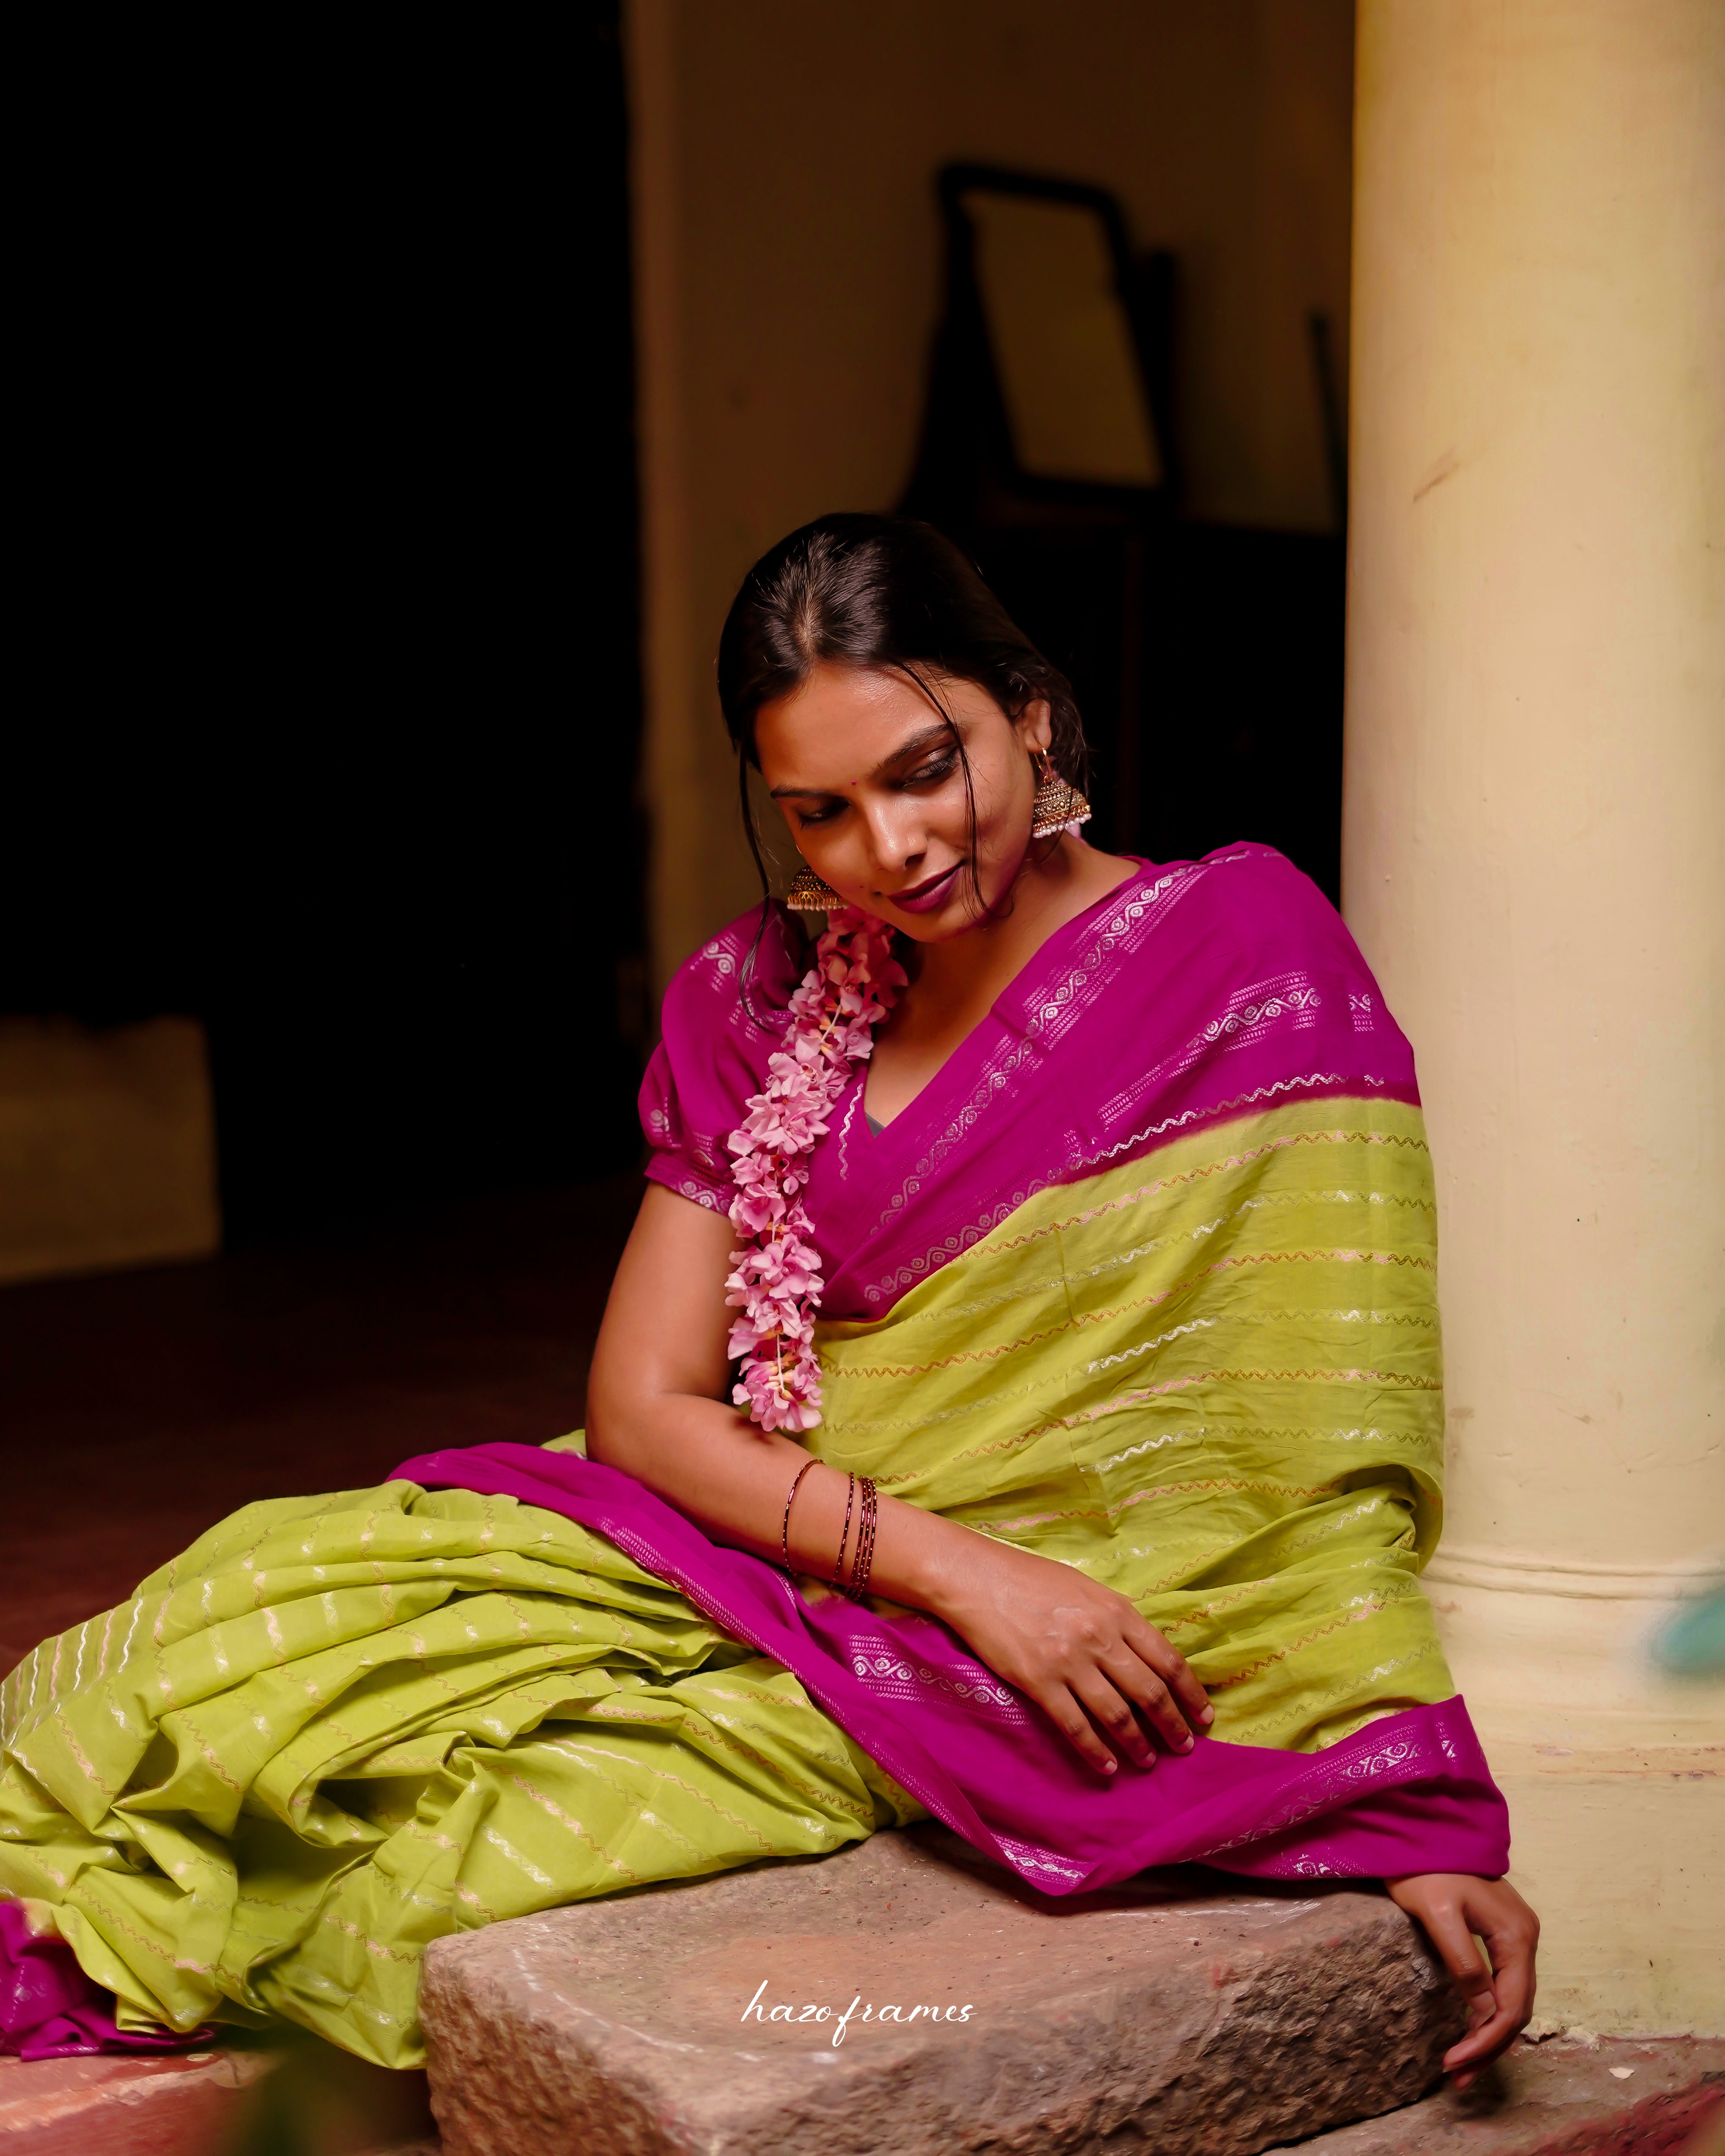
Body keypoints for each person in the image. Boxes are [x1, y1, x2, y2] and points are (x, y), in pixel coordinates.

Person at [0, 515, 1536, 2085]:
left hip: (944, 1677)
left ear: (1034, 715)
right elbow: (644, 1408)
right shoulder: (757, 997)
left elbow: (1303, 1435)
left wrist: (1391, 1786)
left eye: (925, 770)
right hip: (764, 1546)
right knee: (236, 1639)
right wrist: (960, 1574)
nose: (891, 850)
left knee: (430, 1836)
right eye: (823, 812)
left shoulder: (1237, 956)